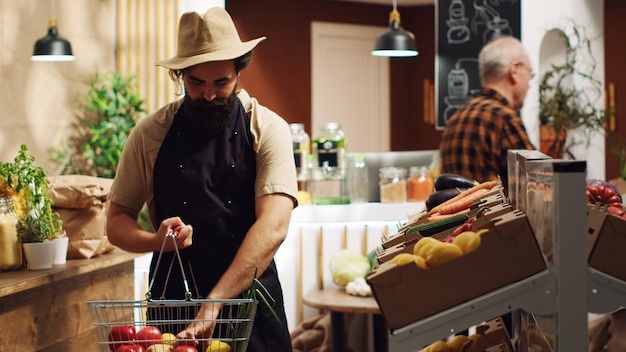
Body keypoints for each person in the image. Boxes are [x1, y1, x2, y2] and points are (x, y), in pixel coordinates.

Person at [106, 7, 297, 352]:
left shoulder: (268, 129)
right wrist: (156, 240)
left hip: (250, 307)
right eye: (196, 82)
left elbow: (273, 226)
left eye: (221, 82)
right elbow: (116, 221)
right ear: (180, 75)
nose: (209, 94)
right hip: (172, 308)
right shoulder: (149, 133)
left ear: (239, 72)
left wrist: (214, 304)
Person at [439, 36, 536, 188]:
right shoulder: (504, 119)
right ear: (515, 71)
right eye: (530, 73)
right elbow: (537, 183)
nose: (529, 84)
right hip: (491, 212)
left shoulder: (455, 119)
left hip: (458, 212)